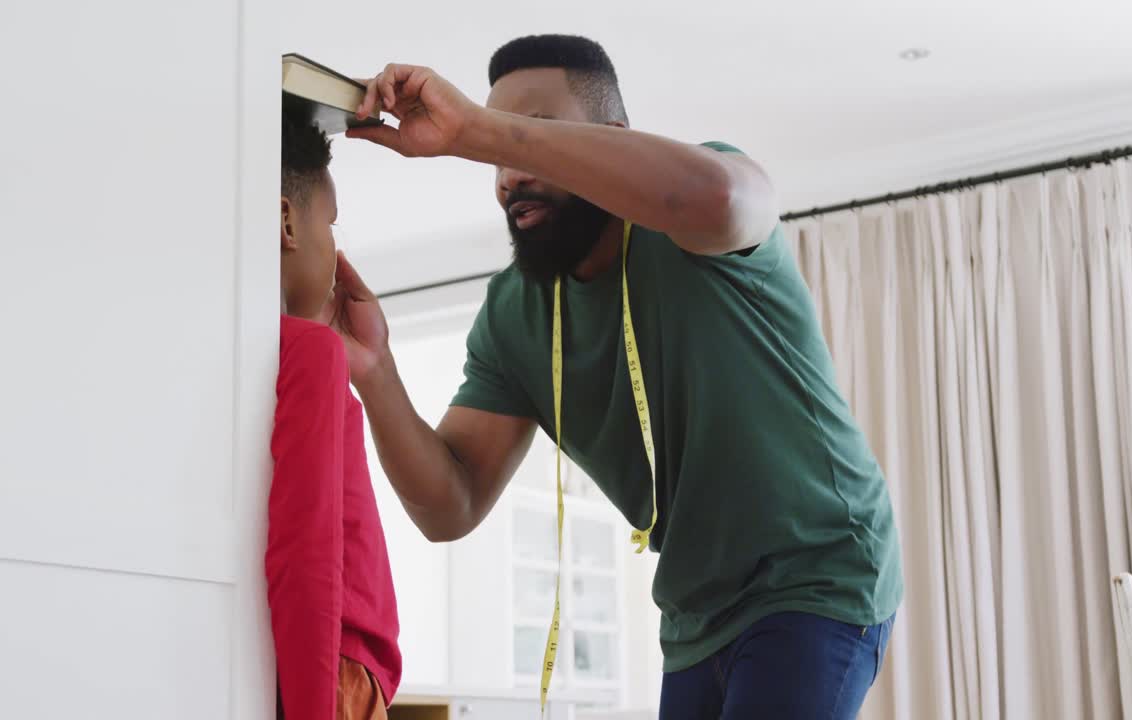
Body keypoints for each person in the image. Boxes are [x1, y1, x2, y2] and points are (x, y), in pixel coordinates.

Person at [330, 34, 902, 719]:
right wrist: (376, 371)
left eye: (532, 134)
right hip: (695, 614)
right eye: (496, 156)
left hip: (817, 571)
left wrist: (476, 132)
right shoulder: (513, 315)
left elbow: (722, 198)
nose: (506, 174)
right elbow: (450, 505)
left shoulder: (694, 210)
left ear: (613, 137)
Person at [268, 91, 401, 720]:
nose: (336, 248)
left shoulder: (261, 359)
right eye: (331, 224)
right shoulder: (312, 354)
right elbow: (307, 553)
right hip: (338, 676)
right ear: (288, 224)